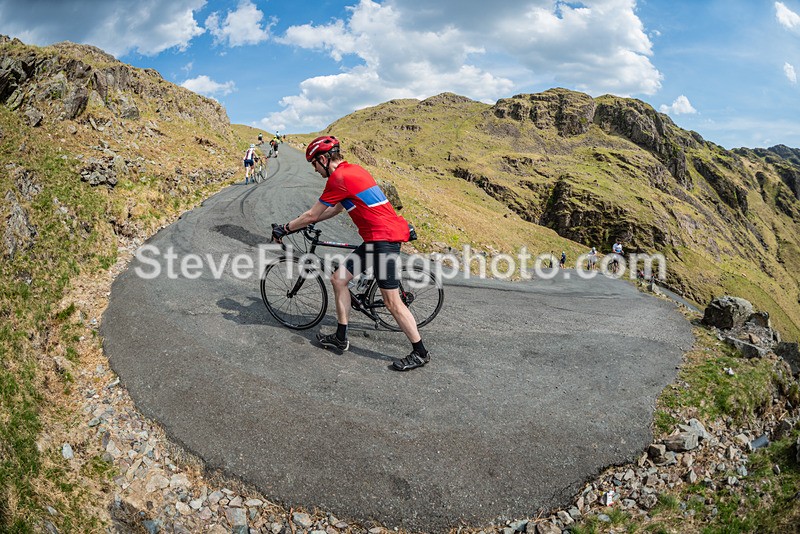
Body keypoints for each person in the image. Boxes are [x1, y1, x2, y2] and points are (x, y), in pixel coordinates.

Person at [271, 136, 432, 371]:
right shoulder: (353, 171)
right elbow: (336, 208)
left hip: (383, 241)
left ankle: (420, 352)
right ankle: (341, 336)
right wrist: (305, 223)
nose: (315, 170)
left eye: (314, 164)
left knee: (392, 302)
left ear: (324, 159)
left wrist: (285, 228)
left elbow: (312, 214)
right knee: (338, 279)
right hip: (375, 239)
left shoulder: (339, 178)